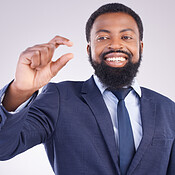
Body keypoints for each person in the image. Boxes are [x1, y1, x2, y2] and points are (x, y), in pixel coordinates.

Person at [0, 3, 175, 175]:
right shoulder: (59, 98)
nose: (115, 45)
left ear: (140, 47)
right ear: (89, 49)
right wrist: (19, 91)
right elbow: (3, 148)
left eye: (126, 37)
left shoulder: (168, 109)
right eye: (103, 37)